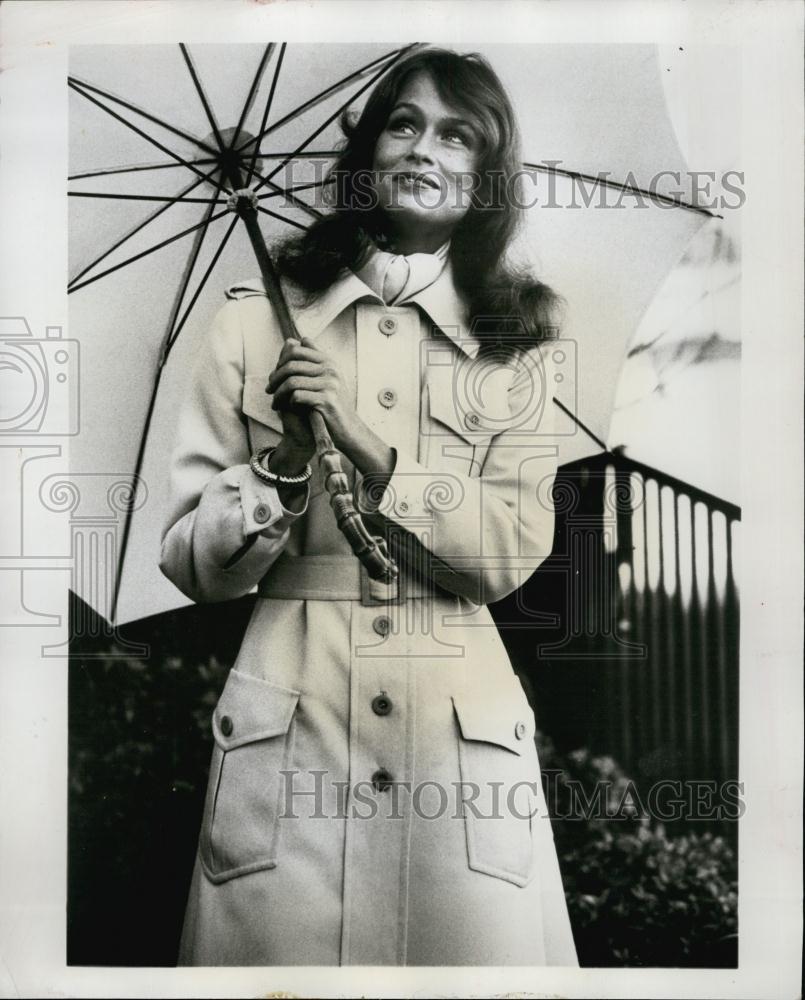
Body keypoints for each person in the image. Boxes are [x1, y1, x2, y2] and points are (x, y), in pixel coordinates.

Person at [160, 46, 578, 967]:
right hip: (291, 723)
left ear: (485, 175)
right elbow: (194, 564)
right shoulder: (250, 323)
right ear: (368, 152)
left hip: (455, 745)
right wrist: (281, 461)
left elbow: (507, 555)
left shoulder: (516, 349)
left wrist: (369, 447)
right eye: (403, 123)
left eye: (456, 134)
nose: (424, 148)